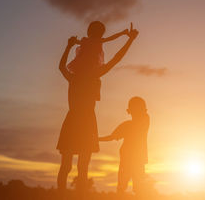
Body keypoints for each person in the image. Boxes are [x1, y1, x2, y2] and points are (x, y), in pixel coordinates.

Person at [56, 23, 139, 198]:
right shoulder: (93, 75)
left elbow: (61, 66)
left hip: (76, 120)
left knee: (70, 166)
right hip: (84, 121)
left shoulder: (75, 76)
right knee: (80, 167)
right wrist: (130, 40)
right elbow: (117, 58)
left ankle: (64, 196)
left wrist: (68, 46)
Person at [99, 96, 150, 194]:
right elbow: (112, 137)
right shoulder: (128, 125)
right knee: (124, 187)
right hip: (127, 160)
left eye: (139, 109)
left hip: (136, 160)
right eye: (135, 110)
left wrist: (97, 139)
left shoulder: (142, 122)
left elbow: (111, 137)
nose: (137, 113)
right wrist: (97, 139)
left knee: (137, 188)